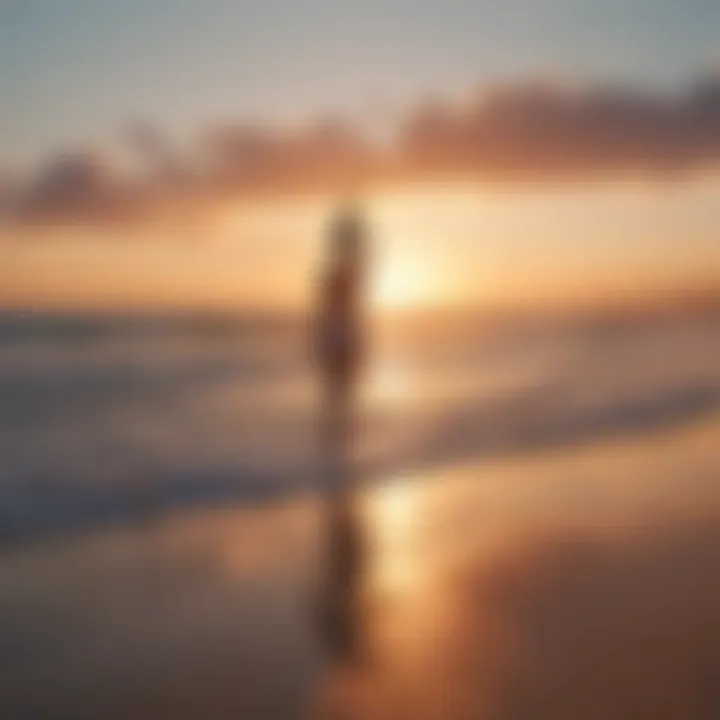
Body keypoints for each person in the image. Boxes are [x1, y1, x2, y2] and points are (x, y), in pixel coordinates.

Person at [314, 202, 368, 664]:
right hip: (340, 341)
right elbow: (332, 316)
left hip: (340, 341)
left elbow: (332, 315)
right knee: (339, 409)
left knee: (339, 410)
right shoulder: (341, 275)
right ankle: (338, 471)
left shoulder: (341, 274)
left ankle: (338, 472)